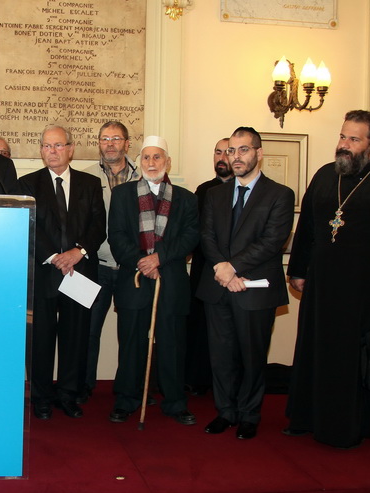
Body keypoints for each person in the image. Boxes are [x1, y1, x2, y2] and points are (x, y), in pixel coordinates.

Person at [285, 110, 370, 449]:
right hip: (323, 286)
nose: (343, 145)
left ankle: (355, 425)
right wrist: (299, 270)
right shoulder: (324, 176)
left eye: (353, 139)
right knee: (317, 351)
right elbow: (308, 228)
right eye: (342, 136)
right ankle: (308, 417)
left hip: (369, 291)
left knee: (356, 359)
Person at [197, 127, 295, 440]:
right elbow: (207, 236)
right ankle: (225, 411)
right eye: (231, 151)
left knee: (252, 356)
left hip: (255, 290)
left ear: (258, 153)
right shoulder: (215, 194)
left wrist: (233, 268)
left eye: (243, 150)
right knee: (221, 356)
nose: (235, 157)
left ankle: (250, 414)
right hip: (218, 287)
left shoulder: (279, 194)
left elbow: (272, 241)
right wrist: (223, 271)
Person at [107, 136, 199, 424]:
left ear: (168, 162)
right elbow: (117, 236)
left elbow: (190, 236)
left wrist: (158, 258)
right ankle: (127, 399)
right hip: (134, 279)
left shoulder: (187, 198)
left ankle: (174, 402)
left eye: (157, 157)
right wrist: (141, 261)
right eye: (146, 157)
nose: (151, 163)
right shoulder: (122, 195)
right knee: (131, 342)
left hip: (170, 280)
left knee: (172, 344)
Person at [18, 125, 106, 420]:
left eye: (58, 146)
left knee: (76, 336)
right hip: (43, 274)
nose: (52, 151)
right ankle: (41, 397)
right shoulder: (27, 184)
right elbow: (29, 225)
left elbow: (98, 226)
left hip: (79, 273)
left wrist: (76, 252)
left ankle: (68, 394)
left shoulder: (90, 184)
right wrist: (56, 256)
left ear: (71, 149)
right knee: (40, 339)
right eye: (46, 146)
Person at [81, 120, 140, 403]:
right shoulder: (86, 177)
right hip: (96, 267)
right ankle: (84, 386)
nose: (110, 144)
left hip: (133, 269)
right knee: (87, 329)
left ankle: (129, 390)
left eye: (116, 138)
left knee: (132, 333)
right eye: (105, 139)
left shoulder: (144, 177)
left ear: (127, 143)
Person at [185, 138, 234, 396]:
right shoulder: (204, 190)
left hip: (237, 272)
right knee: (201, 326)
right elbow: (195, 231)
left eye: (227, 152)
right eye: (217, 152)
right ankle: (199, 379)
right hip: (205, 270)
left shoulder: (245, 189)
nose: (222, 157)